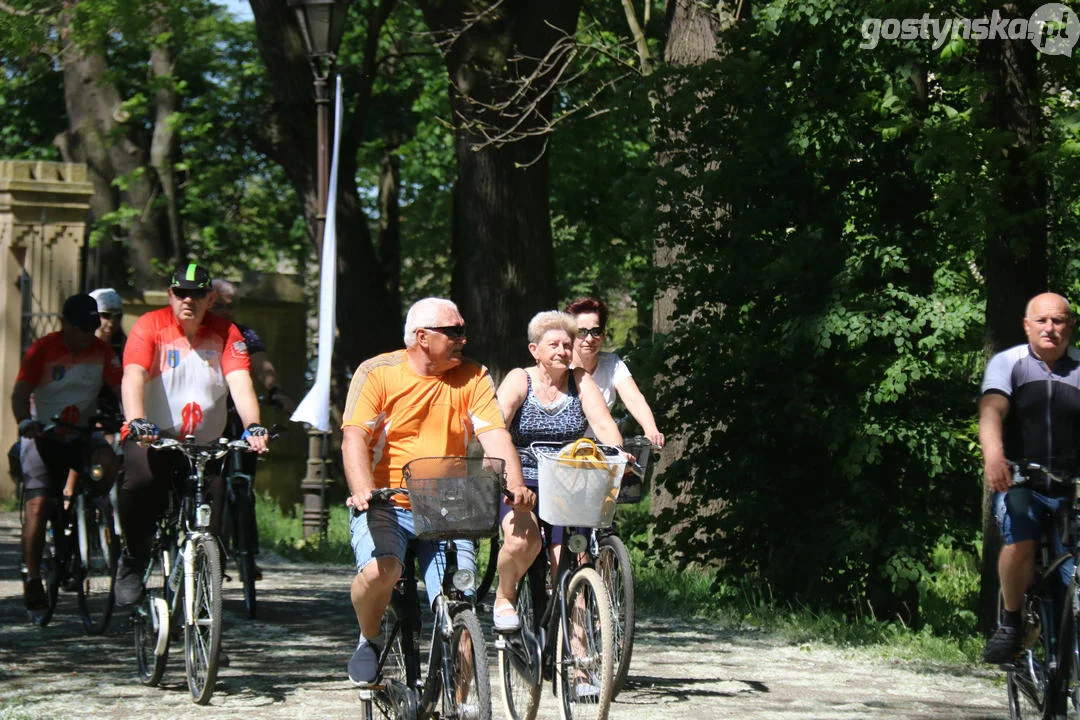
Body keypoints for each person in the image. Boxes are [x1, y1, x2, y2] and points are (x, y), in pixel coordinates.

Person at [341, 297, 540, 685]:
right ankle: (370, 637)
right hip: (388, 501)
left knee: (460, 601)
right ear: (422, 337)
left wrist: (514, 484)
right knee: (381, 570)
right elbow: (354, 438)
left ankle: (463, 704)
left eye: (463, 331)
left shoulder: (474, 376)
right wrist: (363, 490)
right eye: (454, 332)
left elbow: (495, 435)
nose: (463, 340)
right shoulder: (378, 372)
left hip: (448, 505)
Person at [114, 263, 269, 607]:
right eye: (181, 293)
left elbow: (240, 382)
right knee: (139, 483)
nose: (189, 300)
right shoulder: (149, 326)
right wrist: (138, 420)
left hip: (205, 445)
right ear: (170, 295)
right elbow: (133, 375)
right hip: (154, 437)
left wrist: (253, 425)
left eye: (197, 293)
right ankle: (132, 557)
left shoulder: (227, 332)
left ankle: (204, 623)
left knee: (213, 525)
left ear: (210, 298)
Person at [980, 292, 1080, 663]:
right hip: (1023, 481)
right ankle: (1010, 621)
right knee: (1021, 535)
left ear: (1070, 325)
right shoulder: (1010, 363)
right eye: (1042, 321)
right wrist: (995, 457)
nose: (1050, 329)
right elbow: (992, 411)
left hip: (1072, 488)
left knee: (1072, 572)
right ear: (1027, 325)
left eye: (1059, 321)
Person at [496, 310, 625, 585]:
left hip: (569, 480)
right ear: (535, 350)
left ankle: (575, 625)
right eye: (554, 345)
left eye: (567, 345)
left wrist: (618, 452)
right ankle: (505, 594)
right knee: (522, 543)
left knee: (573, 554)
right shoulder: (520, 379)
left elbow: (603, 423)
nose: (562, 351)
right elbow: (496, 429)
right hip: (523, 480)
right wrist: (501, 470)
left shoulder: (580, 380)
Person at [11, 293, 122, 610]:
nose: (87, 335)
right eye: (80, 329)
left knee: (108, 460)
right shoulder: (43, 349)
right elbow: (20, 393)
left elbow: (120, 386)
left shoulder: (102, 352)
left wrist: (132, 418)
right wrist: (25, 422)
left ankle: (93, 512)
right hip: (43, 435)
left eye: (91, 328)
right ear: (64, 325)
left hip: (82, 434)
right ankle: (33, 578)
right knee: (39, 505)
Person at [564, 297, 664, 449]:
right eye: (581, 332)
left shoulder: (612, 363)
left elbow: (633, 398)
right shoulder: (559, 366)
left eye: (596, 331)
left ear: (603, 334)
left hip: (599, 451)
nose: (589, 339)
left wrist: (651, 429)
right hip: (561, 453)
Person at [88, 287, 126, 360]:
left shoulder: (125, 347)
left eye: (118, 315)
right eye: (106, 315)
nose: (112, 321)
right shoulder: (78, 346)